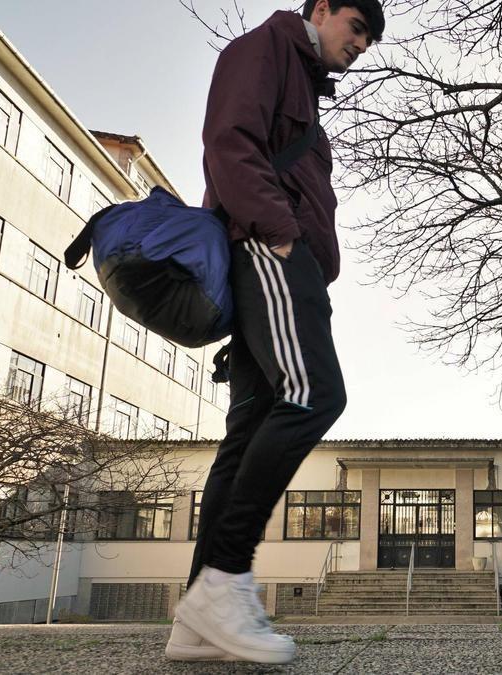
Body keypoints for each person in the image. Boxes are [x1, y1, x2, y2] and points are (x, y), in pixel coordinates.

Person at [165, 0, 384, 664]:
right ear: (321, 8)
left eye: (370, 40)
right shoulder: (263, 50)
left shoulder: (300, 80)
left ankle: (199, 620)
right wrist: (282, 233)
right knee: (316, 393)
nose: (363, 45)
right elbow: (229, 141)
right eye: (357, 28)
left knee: (252, 424)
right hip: (269, 248)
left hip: (283, 257)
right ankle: (226, 578)